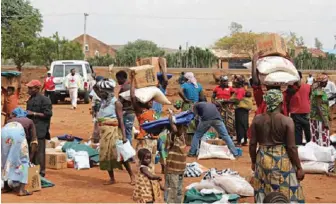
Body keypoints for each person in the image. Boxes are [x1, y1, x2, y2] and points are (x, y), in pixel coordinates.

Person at [249, 89, 305, 203]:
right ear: (281, 103)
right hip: (281, 159)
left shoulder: (257, 119)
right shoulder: (287, 120)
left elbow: (252, 144)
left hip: (262, 157)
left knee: (262, 188)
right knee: (288, 188)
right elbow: (291, 147)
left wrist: (254, 161)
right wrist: (299, 167)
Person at [93, 79, 135, 185]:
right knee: (106, 155)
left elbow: (121, 120)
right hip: (104, 133)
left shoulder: (116, 103)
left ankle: (132, 175)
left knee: (120, 155)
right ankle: (112, 178)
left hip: (114, 132)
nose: (100, 93)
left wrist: (124, 137)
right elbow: (95, 88)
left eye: (103, 91)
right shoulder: (103, 102)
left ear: (107, 91)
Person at [130, 71, 159, 170]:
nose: (151, 102)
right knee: (144, 165)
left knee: (152, 164)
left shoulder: (152, 111)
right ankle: (145, 183)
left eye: (152, 100)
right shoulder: (140, 111)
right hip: (145, 140)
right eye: (149, 101)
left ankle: (151, 183)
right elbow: (133, 98)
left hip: (154, 140)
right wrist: (133, 80)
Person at [26, 80, 53, 177]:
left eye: (30, 88)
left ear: (37, 89)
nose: (28, 90)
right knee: (31, 150)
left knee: (39, 151)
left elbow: (48, 114)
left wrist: (33, 114)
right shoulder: (30, 99)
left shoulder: (45, 100)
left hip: (40, 128)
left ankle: (41, 173)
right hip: (31, 129)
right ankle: (33, 171)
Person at [1, 122, 32, 196]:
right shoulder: (29, 121)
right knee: (23, 160)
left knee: (5, 159)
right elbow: (34, 141)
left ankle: (5, 186)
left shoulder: (9, 120)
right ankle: (21, 190)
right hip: (18, 135)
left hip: (3, 133)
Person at [164, 111, 187, 204]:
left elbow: (176, 130)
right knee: (172, 192)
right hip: (172, 170)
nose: (183, 130)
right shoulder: (172, 137)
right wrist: (171, 119)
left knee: (179, 191)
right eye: (181, 127)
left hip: (180, 170)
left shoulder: (181, 138)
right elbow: (174, 130)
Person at [287, 71, 311, 145]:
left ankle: (299, 147)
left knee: (297, 131)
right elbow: (309, 96)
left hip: (295, 112)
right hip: (306, 111)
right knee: (307, 129)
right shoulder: (308, 86)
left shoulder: (290, 88)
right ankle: (310, 144)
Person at [179, 72, 204, 137]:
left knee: (186, 121)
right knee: (195, 121)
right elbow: (202, 97)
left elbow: (179, 91)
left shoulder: (185, 85)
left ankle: (187, 139)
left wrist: (185, 99)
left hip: (187, 105)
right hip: (196, 105)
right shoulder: (198, 85)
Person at [116, 71, 136, 147]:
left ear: (122, 78)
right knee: (129, 132)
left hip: (126, 113)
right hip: (131, 113)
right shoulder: (130, 86)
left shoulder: (124, 88)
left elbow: (120, 103)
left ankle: (128, 152)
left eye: (118, 79)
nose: (117, 81)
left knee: (126, 134)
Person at [310, 74, 331, 147]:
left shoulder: (318, 90)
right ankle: (323, 156)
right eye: (325, 82)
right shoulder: (319, 92)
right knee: (322, 137)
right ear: (320, 82)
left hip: (318, 118)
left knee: (317, 137)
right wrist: (325, 121)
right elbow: (318, 107)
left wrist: (328, 116)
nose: (327, 83)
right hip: (319, 119)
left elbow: (322, 104)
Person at [89, 76, 104, 143]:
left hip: (99, 106)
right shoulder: (99, 88)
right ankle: (97, 137)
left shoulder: (98, 88)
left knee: (98, 122)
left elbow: (91, 96)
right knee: (98, 122)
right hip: (99, 107)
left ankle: (97, 136)